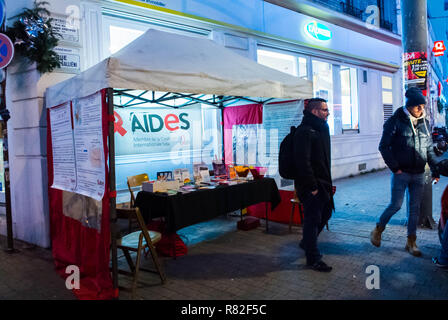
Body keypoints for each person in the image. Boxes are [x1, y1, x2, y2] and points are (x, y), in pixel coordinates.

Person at [371, 87, 440, 257]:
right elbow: (384, 146)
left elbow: (429, 149)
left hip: (418, 173)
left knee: (414, 208)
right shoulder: (395, 121)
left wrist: (435, 169)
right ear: (409, 106)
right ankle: (378, 229)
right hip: (401, 173)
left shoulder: (424, 122)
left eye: (422, 106)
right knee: (396, 205)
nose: (421, 109)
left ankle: (411, 242)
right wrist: (396, 168)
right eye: (417, 106)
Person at [294, 98, 334, 272]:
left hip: (323, 182)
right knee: (313, 219)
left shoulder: (321, 128)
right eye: (325, 110)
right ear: (315, 111)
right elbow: (302, 162)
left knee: (326, 213)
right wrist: (312, 186)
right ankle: (313, 258)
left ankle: (306, 242)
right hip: (311, 185)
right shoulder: (305, 131)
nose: (328, 112)